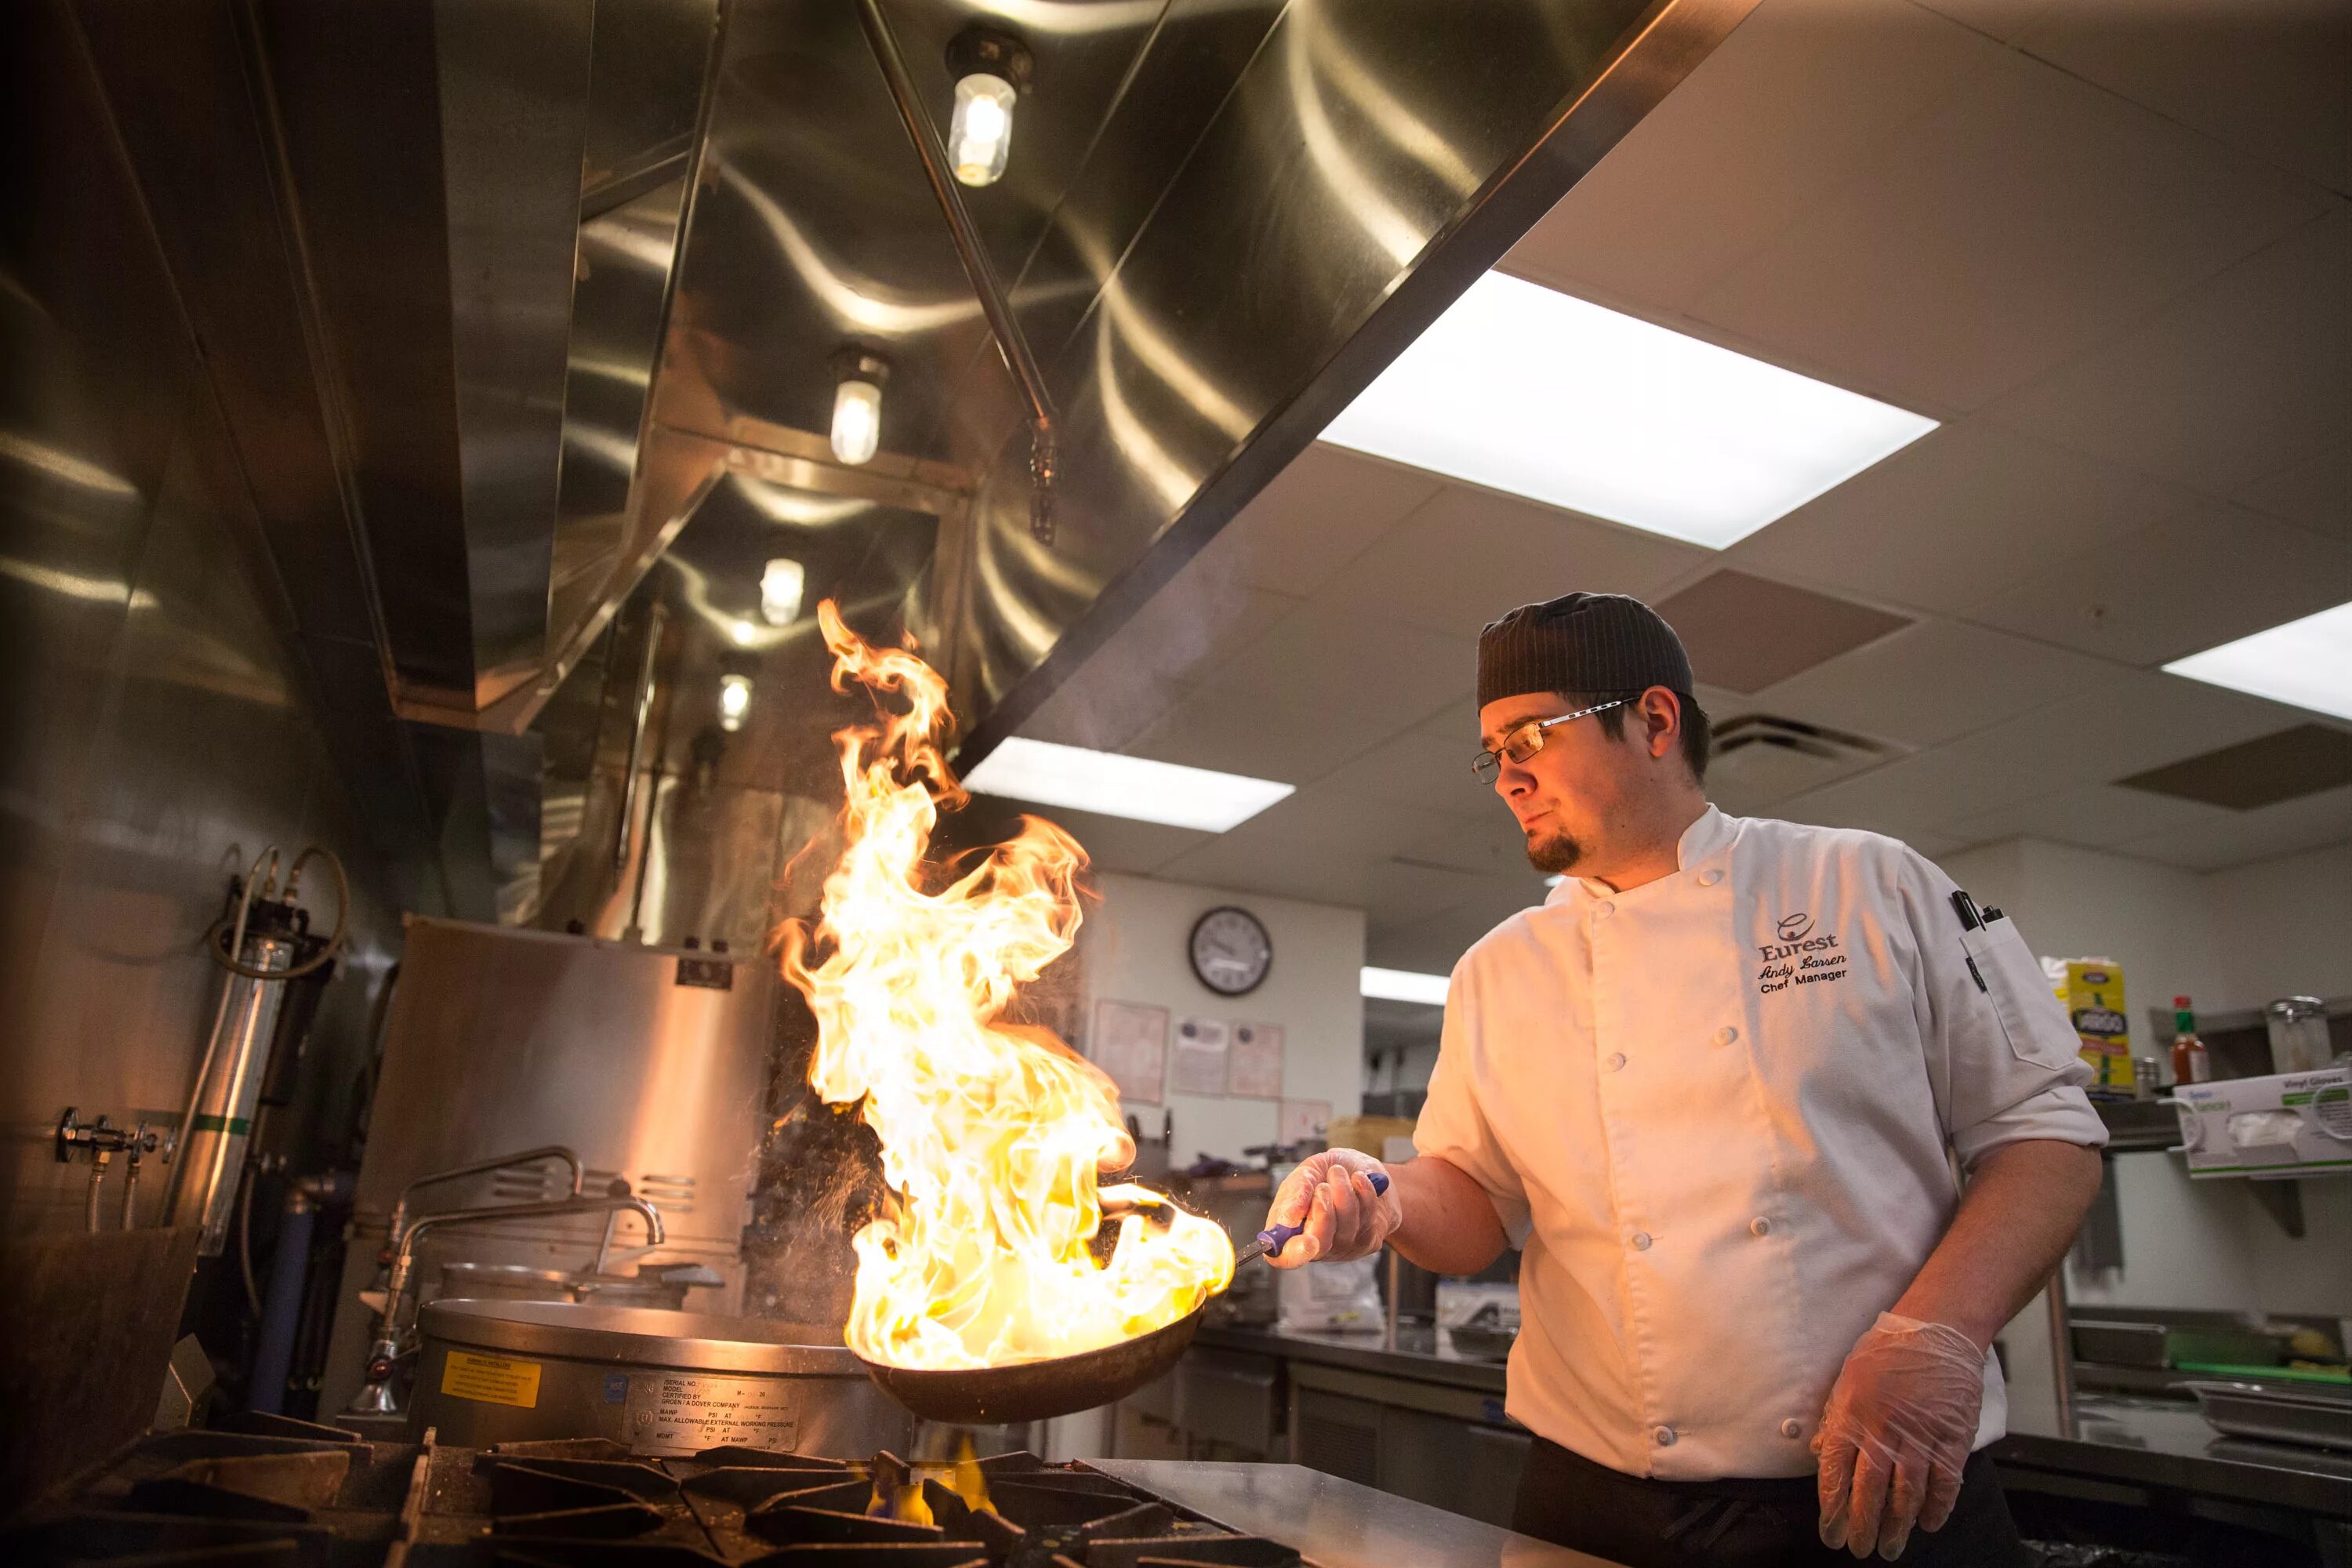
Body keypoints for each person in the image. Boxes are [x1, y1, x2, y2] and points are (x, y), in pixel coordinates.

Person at [1264, 593, 2105, 1566]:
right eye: (1491, 751)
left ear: (1656, 720)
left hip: (1876, 1483)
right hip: (1588, 1494)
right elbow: (1478, 1196)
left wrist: (1936, 1334)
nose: (1506, 777)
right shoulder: (1500, 968)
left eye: (1528, 736)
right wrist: (1381, 1197)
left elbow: (2047, 1134)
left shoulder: (1868, 887)